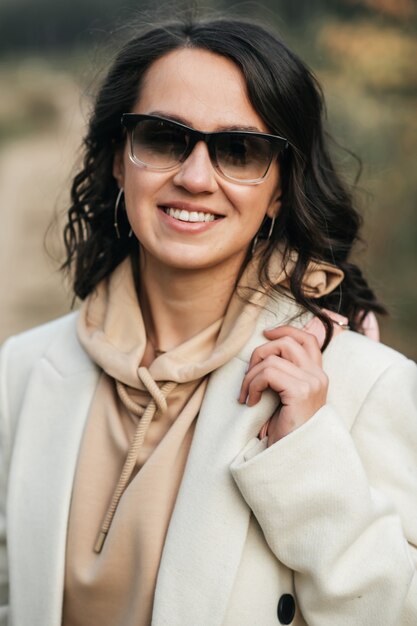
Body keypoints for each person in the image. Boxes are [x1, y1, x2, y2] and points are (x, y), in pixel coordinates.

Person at [0, 14, 416, 626]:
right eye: (165, 139)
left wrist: (307, 458)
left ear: (279, 189)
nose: (195, 178)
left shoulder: (362, 384)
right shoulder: (24, 370)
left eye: (238, 150)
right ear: (119, 160)